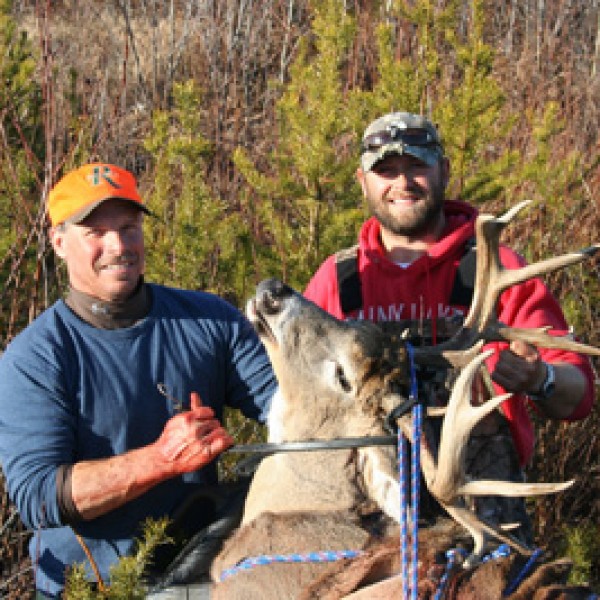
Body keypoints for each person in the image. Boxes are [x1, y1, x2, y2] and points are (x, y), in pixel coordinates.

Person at [304, 111, 595, 535]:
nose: (402, 184)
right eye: (386, 171)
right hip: (367, 514)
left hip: (481, 514)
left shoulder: (495, 270)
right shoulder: (339, 279)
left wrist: (539, 377)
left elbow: (579, 396)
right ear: (363, 182)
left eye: (416, 166)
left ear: (443, 170)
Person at [0, 163, 277, 598]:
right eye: (95, 232)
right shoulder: (34, 357)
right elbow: (38, 496)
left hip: (201, 575)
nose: (118, 246)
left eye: (128, 227)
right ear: (58, 242)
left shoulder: (210, 320)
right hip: (90, 586)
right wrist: (161, 459)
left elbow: (284, 407)